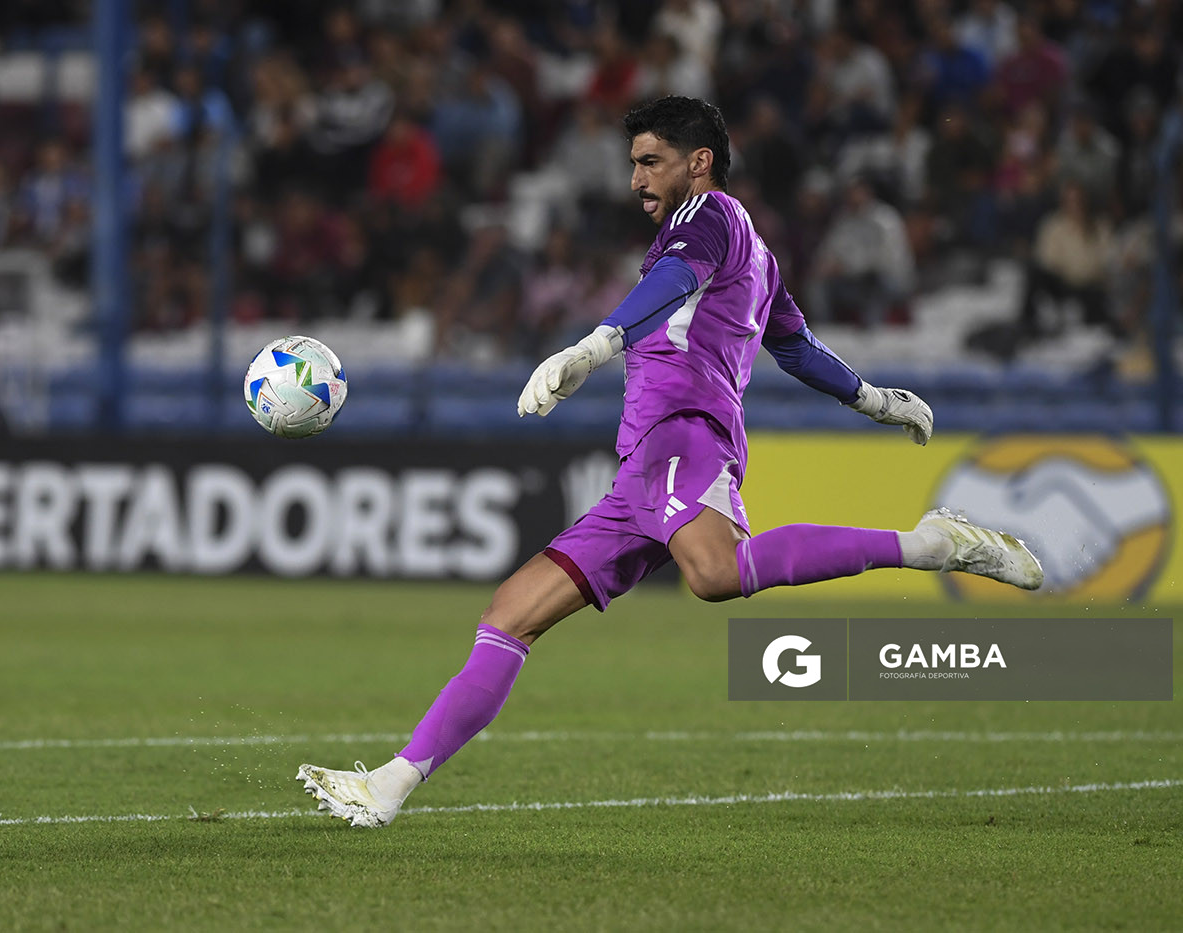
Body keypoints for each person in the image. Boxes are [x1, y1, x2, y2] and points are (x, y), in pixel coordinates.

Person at [297, 96, 1043, 828]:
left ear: (699, 162)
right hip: (642, 467)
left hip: (683, 434)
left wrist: (594, 345)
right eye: (633, 164)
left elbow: (672, 285)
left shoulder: (707, 219)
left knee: (717, 573)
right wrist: (874, 398)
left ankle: (930, 542)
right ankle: (388, 786)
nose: (636, 180)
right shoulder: (757, 251)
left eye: (650, 162)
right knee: (509, 615)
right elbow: (794, 347)